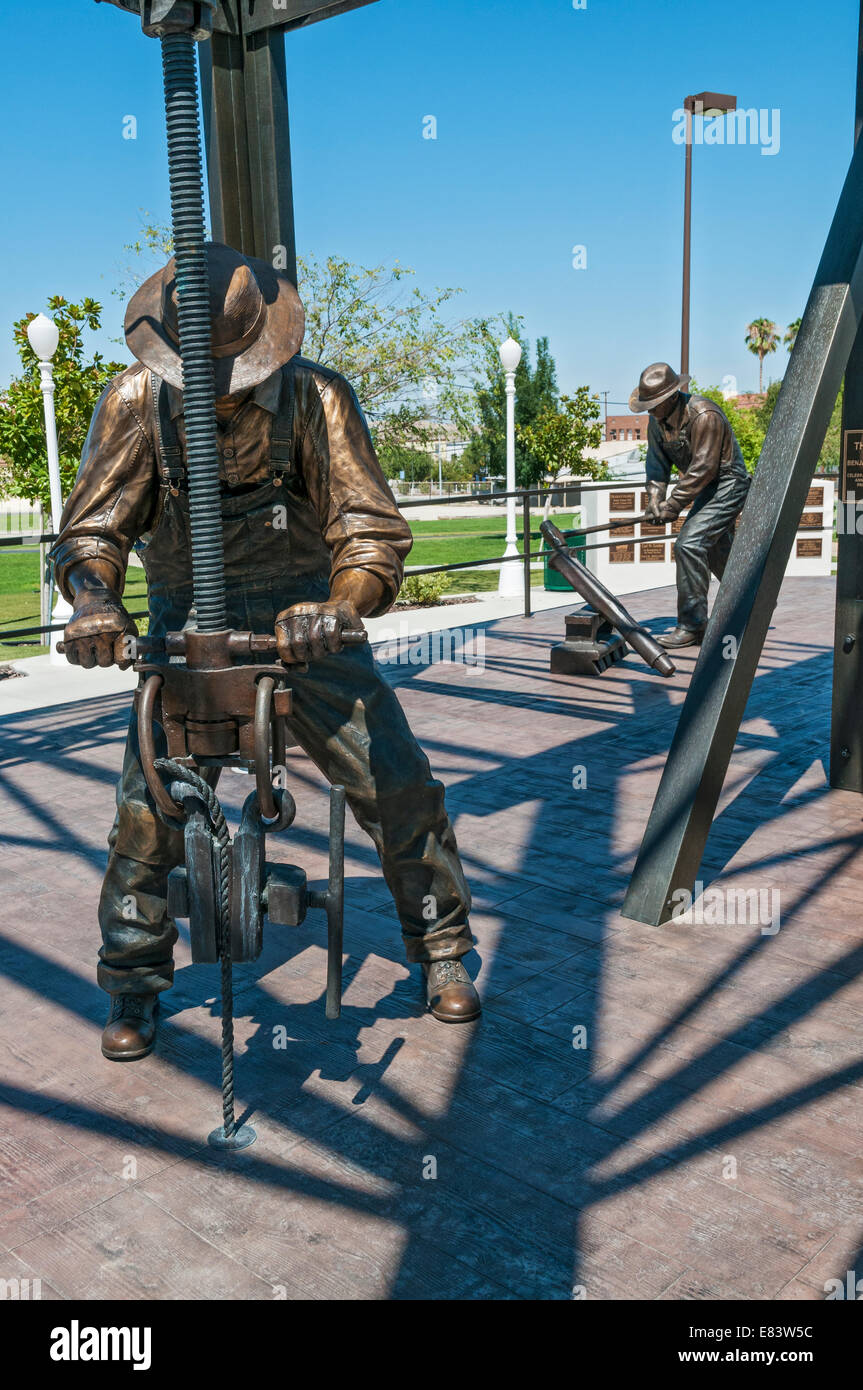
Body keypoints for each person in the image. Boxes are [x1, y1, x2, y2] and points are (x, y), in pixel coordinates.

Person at [50, 243, 480, 1060]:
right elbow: (92, 530)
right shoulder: (134, 403)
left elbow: (370, 531)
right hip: (187, 634)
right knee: (147, 816)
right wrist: (96, 598)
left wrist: (338, 606)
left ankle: (442, 949)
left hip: (307, 637)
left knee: (397, 785)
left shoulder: (318, 400)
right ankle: (133, 980)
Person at [630, 362, 751, 649]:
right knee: (717, 549)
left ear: (672, 397)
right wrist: (654, 502)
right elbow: (657, 468)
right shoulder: (656, 424)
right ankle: (754, 600)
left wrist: (672, 505)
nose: (650, 410)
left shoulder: (704, 415)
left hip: (728, 485)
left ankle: (694, 625)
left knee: (690, 543)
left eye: (655, 404)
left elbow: (704, 468)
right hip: (704, 488)